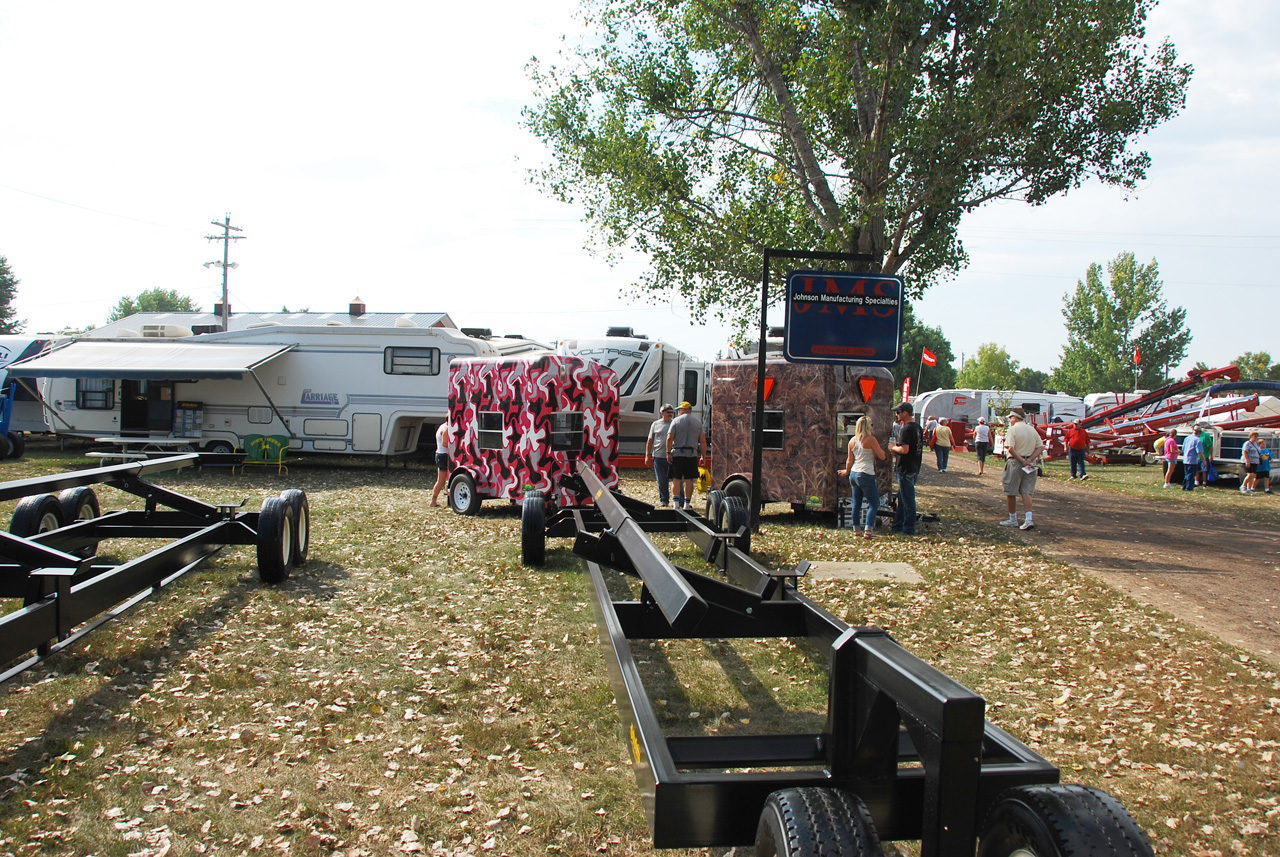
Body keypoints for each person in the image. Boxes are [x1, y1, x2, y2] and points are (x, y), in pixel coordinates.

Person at [838, 415, 887, 539]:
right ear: (867, 427)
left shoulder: (852, 441)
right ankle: (868, 532)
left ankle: (856, 530)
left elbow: (849, 460)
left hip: (854, 474)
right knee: (874, 503)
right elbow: (882, 456)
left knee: (856, 504)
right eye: (871, 425)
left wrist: (846, 471)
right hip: (866, 473)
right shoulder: (870, 439)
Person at [1000, 408, 1044, 530]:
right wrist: (1030, 459)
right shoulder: (1032, 429)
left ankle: (1012, 519)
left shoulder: (1012, 430)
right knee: (1026, 491)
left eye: (1010, 418)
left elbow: (1010, 448)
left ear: (1014, 418)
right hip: (1030, 463)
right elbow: (1040, 447)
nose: (1010, 420)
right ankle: (1028, 519)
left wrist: (1022, 460)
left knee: (1011, 491)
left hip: (1015, 462)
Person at [888, 402, 923, 535]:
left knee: (908, 501)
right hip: (914, 467)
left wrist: (893, 447)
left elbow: (904, 449)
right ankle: (897, 525)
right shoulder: (918, 427)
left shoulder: (906, 429)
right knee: (902, 499)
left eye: (898, 412)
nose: (897, 415)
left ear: (905, 413)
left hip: (905, 468)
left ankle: (908, 529)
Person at [665, 400, 706, 510]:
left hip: (678, 453)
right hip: (692, 454)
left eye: (679, 410)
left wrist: (668, 452)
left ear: (683, 410)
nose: (678, 412)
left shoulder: (675, 421)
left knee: (676, 479)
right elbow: (703, 441)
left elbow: (669, 438)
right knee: (689, 480)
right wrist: (703, 456)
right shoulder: (698, 422)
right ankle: (687, 504)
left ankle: (676, 504)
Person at [644, 404, 675, 506]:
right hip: (658, 456)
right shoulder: (655, 424)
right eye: (668, 412)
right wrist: (647, 455)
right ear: (662, 413)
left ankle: (680, 500)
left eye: (672, 412)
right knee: (661, 480)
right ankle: (664, 500)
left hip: (673, 456)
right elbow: (650, 440)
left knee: (677, 479)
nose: (671, 414)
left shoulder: (675, 423)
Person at [430, 420, 452, 507]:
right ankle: (433, 501)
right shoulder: (446, 428)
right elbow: (445, 443)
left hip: (440, 454)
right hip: (443, 456)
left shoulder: (442, 426)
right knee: (441, 480)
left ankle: (451, 499)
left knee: (447, 479)